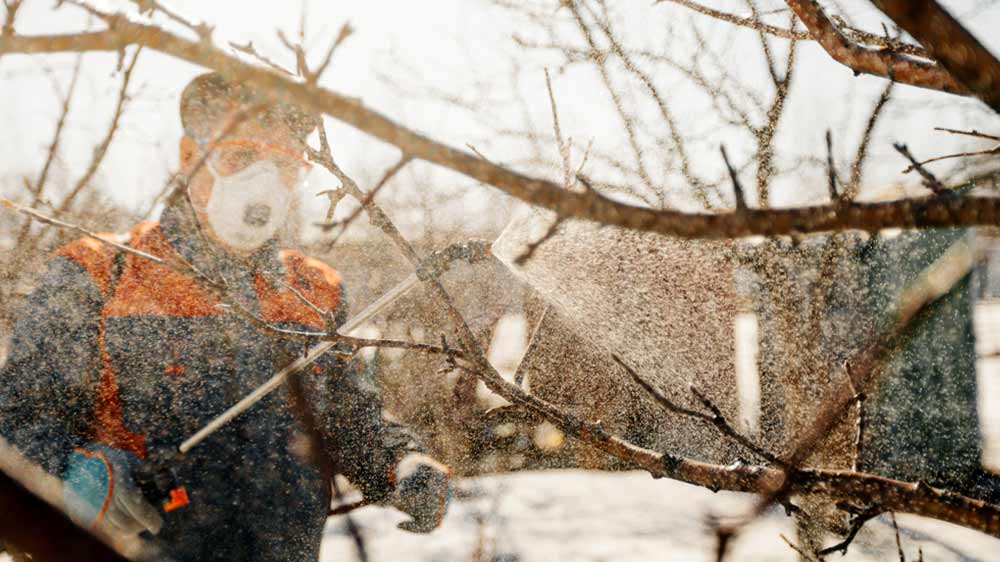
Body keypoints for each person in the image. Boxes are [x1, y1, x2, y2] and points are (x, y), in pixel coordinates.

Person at [0, 72, 450, 561]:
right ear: (190, 159)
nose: (264, 182)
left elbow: (348, 422)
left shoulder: (314, 290)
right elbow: (16, 422)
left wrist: (401, 461)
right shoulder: (98, 274)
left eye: (284, 165)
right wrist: (74, 473)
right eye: (240, 157)